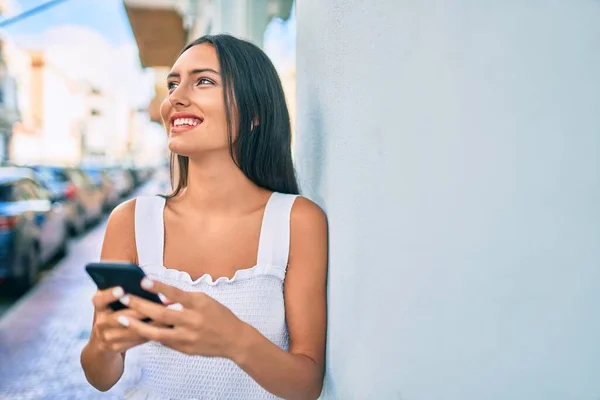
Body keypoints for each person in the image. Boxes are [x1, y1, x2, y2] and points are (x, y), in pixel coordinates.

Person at [80, 34, 328, 399]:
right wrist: (105, 340)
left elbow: (306, 386)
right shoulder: (131, 220)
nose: (174, 98)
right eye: (173, 83)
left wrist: (235, 339)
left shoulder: (297, 221)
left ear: (254, 113)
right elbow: (101, 378)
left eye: (204, 81)